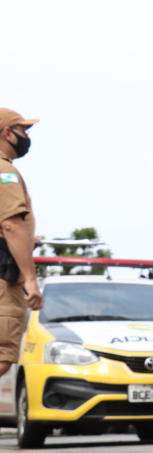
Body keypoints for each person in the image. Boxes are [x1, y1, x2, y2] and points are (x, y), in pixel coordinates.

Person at [0, 108, 42, 380]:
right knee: (2, 356)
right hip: (4, 277)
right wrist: (30, 280)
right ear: (7, 133)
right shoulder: (5, 171)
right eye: (23, 130)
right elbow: (10, 225)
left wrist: (26, 241)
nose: (26, 137)